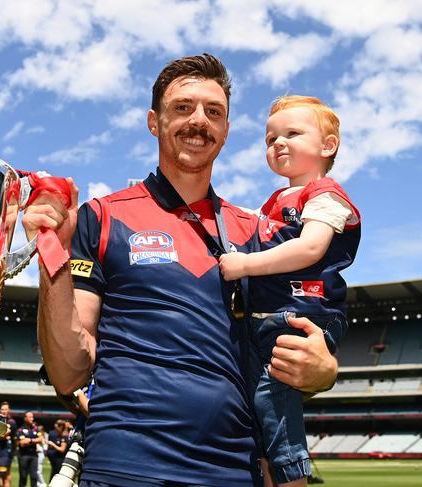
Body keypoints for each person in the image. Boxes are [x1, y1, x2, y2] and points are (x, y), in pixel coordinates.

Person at [24, 53, 339, 486]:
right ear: (154, 122)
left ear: (226, 130)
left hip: (234, 470)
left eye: (214, 112)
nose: (199, 121)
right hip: (125, 468)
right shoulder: (102, 217)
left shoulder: (258, 233)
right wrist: (53, 257)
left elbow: (293, 332)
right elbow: (69, 369)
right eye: (183, 107)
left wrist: (323, 371)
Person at [218, 95, 360, 486]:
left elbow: (310, 247)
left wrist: (244, 265)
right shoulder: (275, 203)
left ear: (327, 146)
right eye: (270, 138)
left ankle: (293, 478)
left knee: (273, 403)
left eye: (292, 133)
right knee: (255, 407)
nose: (277, 143)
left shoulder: (325, 194)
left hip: (302, 312)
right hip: (269, 317)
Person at [16, 412, 42, 487]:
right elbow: (22, 443)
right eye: (30, 417)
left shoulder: (36, 429)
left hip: (34, 455)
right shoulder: (20, 430)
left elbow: (41, 439)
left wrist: (30, 440)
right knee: (23, 477)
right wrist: (34, 440)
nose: (32, 419)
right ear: (25, 418)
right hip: (23, 456)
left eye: (32, 417)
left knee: (34, 477)